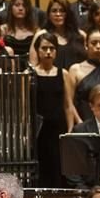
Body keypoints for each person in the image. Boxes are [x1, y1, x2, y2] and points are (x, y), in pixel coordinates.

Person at [31, 33, 74, 187]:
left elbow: (68, 105)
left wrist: (69, 130)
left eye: (52, 48)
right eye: (44, 48)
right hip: (38, 131)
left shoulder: (64, 74)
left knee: (57, 169)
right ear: (37, 50)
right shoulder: (30, 75)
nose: (48, 52)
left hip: (58, 130)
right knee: (40, 171)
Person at [29, 0, 86, 69]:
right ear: (49, 15)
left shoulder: (80, 35)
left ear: (68, 14)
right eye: (54, 11)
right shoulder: (41, 35)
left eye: (62, 11)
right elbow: (33, 66)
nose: (58, 14)